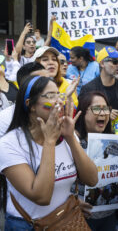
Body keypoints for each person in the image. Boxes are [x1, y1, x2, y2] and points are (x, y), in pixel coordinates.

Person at [0, 76, 98, 230]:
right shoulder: (9, 144)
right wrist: (50, 142)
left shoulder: (65, 134)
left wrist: (70, 137)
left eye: (59, 94)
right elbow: (42, 196)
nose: (59, 101)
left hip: (66, 221)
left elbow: (92, 179)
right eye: (50, 96)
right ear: (30, 105)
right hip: (27, 225)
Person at [75, 91, 118, 231]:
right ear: (83, 112)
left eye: (106, 108)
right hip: (80, 216)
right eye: (97, 108)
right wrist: (72, 201)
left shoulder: (117, 142)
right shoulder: (73, 142)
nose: (103, 113)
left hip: (110, 216)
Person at [80, 46, 118, 129]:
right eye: (114, 62)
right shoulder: (88, 89)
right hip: (96, 136)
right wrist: (106, 114)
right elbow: (82, 114)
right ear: (102, 63)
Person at [0, 62, 49, 137]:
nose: (49, 84)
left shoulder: (58, 112)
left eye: (49, 79)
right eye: (40, 81)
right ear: (24, 86)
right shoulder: (4, 119)